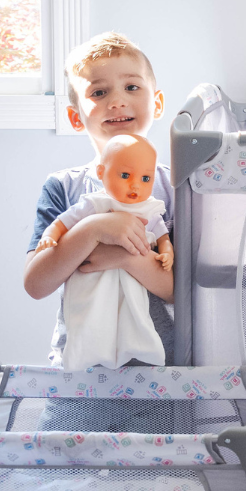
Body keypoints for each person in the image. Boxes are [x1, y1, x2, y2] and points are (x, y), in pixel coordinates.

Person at [23, 32, 174, 367]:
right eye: (99, 92)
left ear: (157, 103)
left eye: (131, 87)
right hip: (80, 364)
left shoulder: (176, 188)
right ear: (76, 117)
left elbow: (180, 291)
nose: (117, 101)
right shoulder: (62, 187)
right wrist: (93, 230)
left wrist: (124, 257)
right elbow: (36, 284)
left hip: (163, 367)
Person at [34, 134, 173, 370]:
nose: (135, 185)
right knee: (93, 317)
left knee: (134, 319)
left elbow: (163, 239)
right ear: (101, 172)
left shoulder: (153, 206)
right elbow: (60, 224)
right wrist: (54, 236)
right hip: (93, 287)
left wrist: (164, 254)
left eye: (145, 178)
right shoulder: (92, 203)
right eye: (125, 176)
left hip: (150, 368)